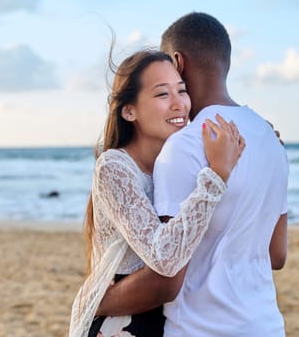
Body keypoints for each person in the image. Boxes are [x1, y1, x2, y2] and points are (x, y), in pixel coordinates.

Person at [97, 12, 289, 336]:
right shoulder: (271, 140)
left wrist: (99, 300)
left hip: (200, 329)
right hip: (266, 325)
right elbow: (277, 254)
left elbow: (166, 280)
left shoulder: (185, 146)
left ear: (176, 62)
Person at [69, 50, 245, 337]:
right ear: (129, 111)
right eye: (163, 95)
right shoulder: (114, 167)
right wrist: (217, 175)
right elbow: (164, 257)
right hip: (123, 323)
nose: (180, 105)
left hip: (170, 319)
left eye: (182, 90)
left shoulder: (181, 164)